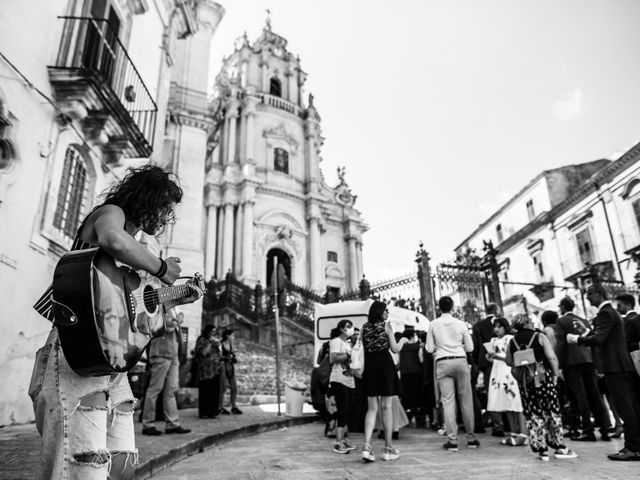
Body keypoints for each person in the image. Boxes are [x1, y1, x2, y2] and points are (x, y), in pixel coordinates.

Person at [29, 165, 203, 480]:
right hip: (76, 355)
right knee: (82, 466)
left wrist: (174, 297)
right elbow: (112, 238)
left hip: (112, 364)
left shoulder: (131, 257)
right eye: (163, 206)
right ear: (147, 199)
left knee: (122, 466)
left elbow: (132, 311)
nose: (165, 216)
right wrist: (161, 267)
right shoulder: (110, 213)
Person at [567, 285, 640, 461]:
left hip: (614, 366)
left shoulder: (605, 313)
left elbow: (599, 339)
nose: (588, 298)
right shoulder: (611, 313)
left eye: (590, 294)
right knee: (630, 405)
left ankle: (633, 448)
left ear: (600, 294)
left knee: (625, 407)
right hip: (620, 365)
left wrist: (576, 339)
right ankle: (634, 445)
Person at [507, 315, 577, 461]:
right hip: (543, 380)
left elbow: (509, 361)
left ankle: (542, 450)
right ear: (526, 322)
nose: (533, 323)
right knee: (551, 411)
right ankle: (559, 447)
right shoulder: (539, 336)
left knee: (533, 414)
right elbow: (551, 357)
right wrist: (556, 374)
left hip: (525, 384)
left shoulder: (512, 341)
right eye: (531, 321)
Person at [426, 296, 479, 452]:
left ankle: (452, 440)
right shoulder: (460, 324)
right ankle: (471, 438)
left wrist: (439, 347)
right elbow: (470, 348)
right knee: (466, 400)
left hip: (443, 362)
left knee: (448, 401)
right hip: (460, 361)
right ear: (452, 307)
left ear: (439, 307)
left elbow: (429, 349)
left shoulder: (433, 324)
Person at [555, 297, 609, 442]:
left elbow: (561, 344)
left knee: (581, 397)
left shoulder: (561, 321)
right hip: (588, 361)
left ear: (562, 307)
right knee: (595, 395)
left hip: (572, 363)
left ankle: (587, 431)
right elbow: (593, 342)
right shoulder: (584, 321)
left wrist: (559, 365)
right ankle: (605, 429)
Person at [360, 300, 408, 462]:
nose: (387, 313)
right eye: (386, 311)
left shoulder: (364, 328)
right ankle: (388, 448)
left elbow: (361, 347)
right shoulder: (387, 326)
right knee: (386, 407)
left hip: (370, 367)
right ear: (380, 312)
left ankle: (367, 446)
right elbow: (395, 349)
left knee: (372, 408)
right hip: (385, 366)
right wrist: (403, 341)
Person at [142, 310, 191, 435]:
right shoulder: (159, 308)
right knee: (154, 390)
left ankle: (172, 423)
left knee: (171, 390)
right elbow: (163, 326)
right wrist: (177, 321)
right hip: (161, 353)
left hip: (173, 355)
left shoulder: (173, 310)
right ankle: (148, 424)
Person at [485, 317, 526, 446]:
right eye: (495, 327)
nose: (496, 329)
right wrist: (490, 358)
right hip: (498, 372)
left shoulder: (510, 339)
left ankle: (523, 433)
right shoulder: (494, 341)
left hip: (509, 372)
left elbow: (510, 358)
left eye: (499, 326)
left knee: (516, 402)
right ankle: (513, 432)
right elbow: (495, 360)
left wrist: (497, 356)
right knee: (506, 402)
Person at [472, 303, 503, 435]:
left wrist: (477, 364)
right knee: (506, 390)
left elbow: (476, 346)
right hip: (504, 361)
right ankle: (509, 424)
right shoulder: (502, 322)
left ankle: (498, 426)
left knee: (492, 393)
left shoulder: (478, 326)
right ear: (497, 310)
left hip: (487, 363)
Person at [329, 319, 357, 453]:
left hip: (349, 380)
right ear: (341, 329)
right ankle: (338, 442)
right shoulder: (336, 342)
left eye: (351, 326)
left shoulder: (348, 344)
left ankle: (344, 440)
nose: (350, 329)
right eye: (348, 326)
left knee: (349, 410)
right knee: (342, 410)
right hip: (339, 379)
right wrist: (347, 354)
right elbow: (334, 358)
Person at [615, 294, 640, 402]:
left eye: (619, 305)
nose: (617, 308)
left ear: (628, 305)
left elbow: (626, 346)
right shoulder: (632, 320)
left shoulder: (628, 322)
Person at [195, 324, 222, 419]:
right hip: (205, 370)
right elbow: (203, 352)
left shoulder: (216, 341)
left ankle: (212, 411)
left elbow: (219, 353)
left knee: (214, 391)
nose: (214, 333)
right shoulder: (202, 340)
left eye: (215, 331)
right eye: (212, 331)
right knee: (205, 391)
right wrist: (210, 342)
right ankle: (204, 412)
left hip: (215, 369)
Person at [219, 329, 242, 414]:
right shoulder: (221, 344)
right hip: (223, 366)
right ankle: (220, 407)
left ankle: (233, 406)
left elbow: (233, 355)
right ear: (227, 336)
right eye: (232, 335)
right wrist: (226, 357)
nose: (233, 337)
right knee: (222, 388)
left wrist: (234, 358)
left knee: (234, 387)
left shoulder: (231, 345)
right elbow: (219, 356)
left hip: (230, 367)